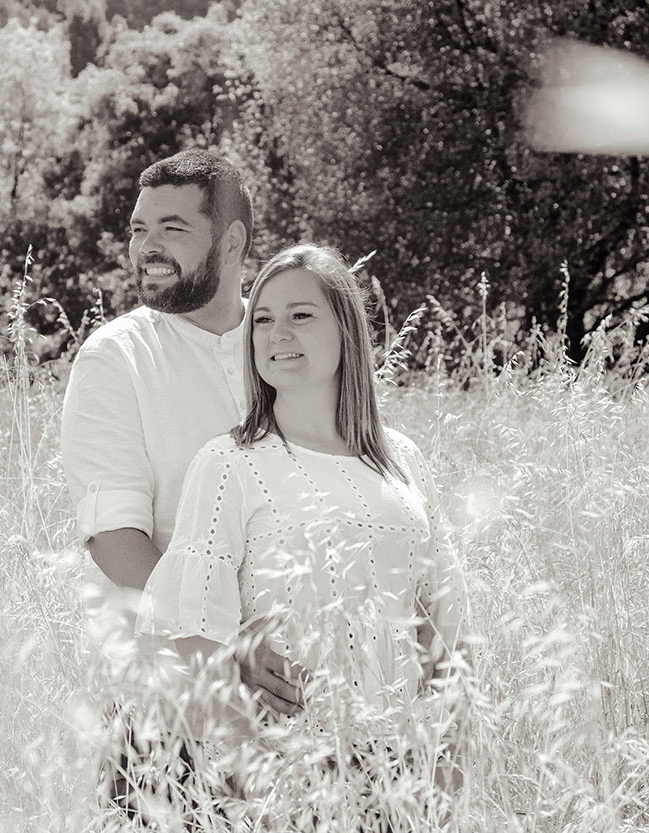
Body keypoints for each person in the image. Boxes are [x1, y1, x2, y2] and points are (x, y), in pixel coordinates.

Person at [137, 244, 469, 828]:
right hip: (291, 770)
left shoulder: (402, 460)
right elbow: (187, 633)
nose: (277, 333)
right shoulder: (230, 463)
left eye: (301, 315)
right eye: (263, 319)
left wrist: (448, 766)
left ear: (346, 329)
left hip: (405, 771)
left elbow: (446, 628)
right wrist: (255, 770)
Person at [59, 149, 303, 817]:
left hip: (303, 702)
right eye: (139, 229)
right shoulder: (116, 359)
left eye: (172, 228)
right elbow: (114, 538)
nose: (148, 247)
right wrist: (232, 645)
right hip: (169, 712)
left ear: (232, 241)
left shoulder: (290, 344)